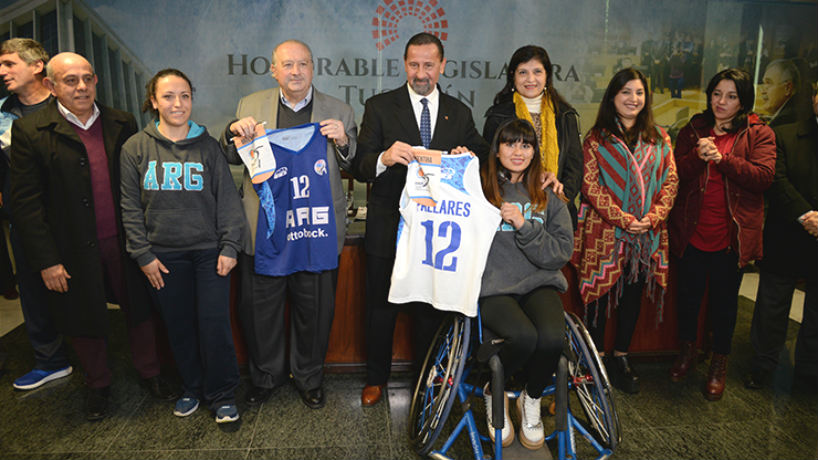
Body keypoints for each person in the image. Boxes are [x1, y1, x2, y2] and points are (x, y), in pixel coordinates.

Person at [9, 52, 177, 421]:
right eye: (71, 81)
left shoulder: (121, 121)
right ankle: (98, 384)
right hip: (70, 248)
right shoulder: (31, 131)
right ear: (51, 86)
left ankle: (151, 373)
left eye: (88, 78)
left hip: (125, 241)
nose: (82, 87)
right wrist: (47, 261)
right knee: (83, 316)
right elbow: (26, 205)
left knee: (139, 310)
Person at [352, 32, 488, 406]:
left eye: (429, 65)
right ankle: (376, 379)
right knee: (381, 308)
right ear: (404, 64)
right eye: (414, 64)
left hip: (436, 235)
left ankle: (427, 380)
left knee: (430, 310)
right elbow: (360, 165)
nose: (421, 73)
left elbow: (480, 154)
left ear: (442, 66)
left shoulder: (459, 112)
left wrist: (467, 155)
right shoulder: (380, 107)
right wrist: (383, 157)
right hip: (389, 227)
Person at [220, 39, 357, 410]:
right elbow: (231, 155)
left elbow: (354, 162)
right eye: (288, 65)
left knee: (315, 312)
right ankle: (265, 377)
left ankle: (310, 378)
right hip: (266, 228)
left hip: (315, 228)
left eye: (303, 64)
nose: (296, 72)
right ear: (273, 70)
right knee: (260, 311)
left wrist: (344, 140)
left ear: (313, 67)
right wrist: (233, 130)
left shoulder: (339, 110)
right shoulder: (250, 107)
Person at [120, 69, 245, 423]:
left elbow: (228, 201)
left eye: (185, 96)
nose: (178, 103)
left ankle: (222, 394)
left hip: (209, 253)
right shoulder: (135, 148)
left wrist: (230, 246)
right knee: (179, 327)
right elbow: (129, 206)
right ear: (154, 101)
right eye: (169, 96)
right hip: (162, 257)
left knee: (214, 325)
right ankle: (192, 387)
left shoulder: (208, 147)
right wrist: (143, 255)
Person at [668, 68, 776, 401]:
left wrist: (723, 160)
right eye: (717, 94)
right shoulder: (694, 128)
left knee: (725, 305)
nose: (721, 102)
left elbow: (763, 177)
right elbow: (675, 174)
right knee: (688, 298)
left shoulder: (758, 133)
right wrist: (696, 157)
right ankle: (687, 351)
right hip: (691, 230)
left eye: (731, 96)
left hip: (732, 237)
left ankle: (719, 363)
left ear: (743, 101)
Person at [571, 68, 678, 394]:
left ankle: (621, 357)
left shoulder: (660, 138)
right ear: (613, 97)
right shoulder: (596, 139)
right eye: (626, 92)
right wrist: (622, 218)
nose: (633, 99)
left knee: (632, 297)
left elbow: (671, 181)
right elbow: (590, 185)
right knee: (599, 301)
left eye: (639, 93)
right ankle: (594, 361)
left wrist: (653, 216)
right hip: (605, 233)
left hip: (646, 235)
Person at [479, 119, 573, 449]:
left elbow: (560, 252)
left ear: (534, 152)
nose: (518, 151)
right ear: (496, 149)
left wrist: (524, 225)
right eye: (510, 143)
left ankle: (530, 398)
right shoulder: (480, 190)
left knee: (552, 339)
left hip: (539, 283)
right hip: (495, 286)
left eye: (526, 144)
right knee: (522, 337)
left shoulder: (549, 195)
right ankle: (494, 392)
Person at [0, 38, 74, 390]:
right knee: (32, 288)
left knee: (80, 287)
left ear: (37, 66)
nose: (2, 72)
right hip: (25, 217)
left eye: (9, 64)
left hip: (72, 215)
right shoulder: (2, 113)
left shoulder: (68, 105)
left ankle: (93, 355)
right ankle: (50, 360)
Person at [745, 80, 817, 391]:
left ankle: (809, 370)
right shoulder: (784, 134)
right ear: (814, 98)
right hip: (787, 234)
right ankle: (763, 365)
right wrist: (808, 216)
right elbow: (777, 180)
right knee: (772, 306)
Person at [482, 45, 583, 227]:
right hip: (508, 211)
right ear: (513, 76)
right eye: (523, 72)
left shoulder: (565, 115)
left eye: (537, 72)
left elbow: (574, 168)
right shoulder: (498, 116)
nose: (530, 79)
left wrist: (558, 200)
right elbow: (489, 166)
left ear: (547, 75)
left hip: (556, 211)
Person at [758, 59, 800, 128]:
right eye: (764, 83)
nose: (763, 91)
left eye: (769, 83)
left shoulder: (786, 122)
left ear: (787, 88)